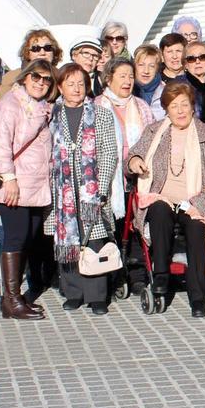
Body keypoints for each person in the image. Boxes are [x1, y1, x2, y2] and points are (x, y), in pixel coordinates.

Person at [127, 82, 205, 318]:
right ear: (166, 110)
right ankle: (161, 276)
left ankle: (197, 296)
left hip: (195, 200)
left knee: (195, 228)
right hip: (161, 196)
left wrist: (199, 205)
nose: (180, 110)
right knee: (159, 211)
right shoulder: (154, 132)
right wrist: (134, 161)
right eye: (174, 106)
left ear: (193, 107)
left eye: (185, 104)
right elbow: (134, 154)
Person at [0, 59, 55, 321]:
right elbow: (0, 143)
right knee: (15, 237)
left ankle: (15, 295)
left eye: (47, 79)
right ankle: (10, 299)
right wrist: (9, 178)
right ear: (25, 77)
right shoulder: (10, 104)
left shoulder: (43, 107)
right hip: (14, 183)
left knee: (27, 236)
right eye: (36, 77)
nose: (41, 83)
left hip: (36, 184)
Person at [47, 64, 119, 315]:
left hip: (92, 188)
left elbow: (110, 152)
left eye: (80, 83)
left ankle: (97, 295)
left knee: (95, 239)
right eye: (70, 84)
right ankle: (73, 291)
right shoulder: (52, 115)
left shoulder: (100, 114)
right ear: (60, 88)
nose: (76, 89)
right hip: (63, 189)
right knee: (68, 239)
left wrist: (101, 187)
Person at [95, 57, 155, 296]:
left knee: (138, 227)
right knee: (115, 228)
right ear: (108, 78)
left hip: (139, 177)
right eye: (122, 76)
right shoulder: (97, 105)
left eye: (131, 76)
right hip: (110, 180)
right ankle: (115, 276)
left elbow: (152, 139)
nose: (128, 81)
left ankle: (138, 276)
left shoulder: (141, 106)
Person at [0, 29, 62, 95]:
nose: (42, 53)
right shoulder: (12, 77)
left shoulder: (63, 78)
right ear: (27, 53)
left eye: (47, 48)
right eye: (36, 48)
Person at [132, 44, 165, 117]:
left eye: (151, 66)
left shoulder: (165, 92)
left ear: (157, 69)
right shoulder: (127, 89)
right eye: (141, 65)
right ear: (134, 66)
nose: (146, 71)